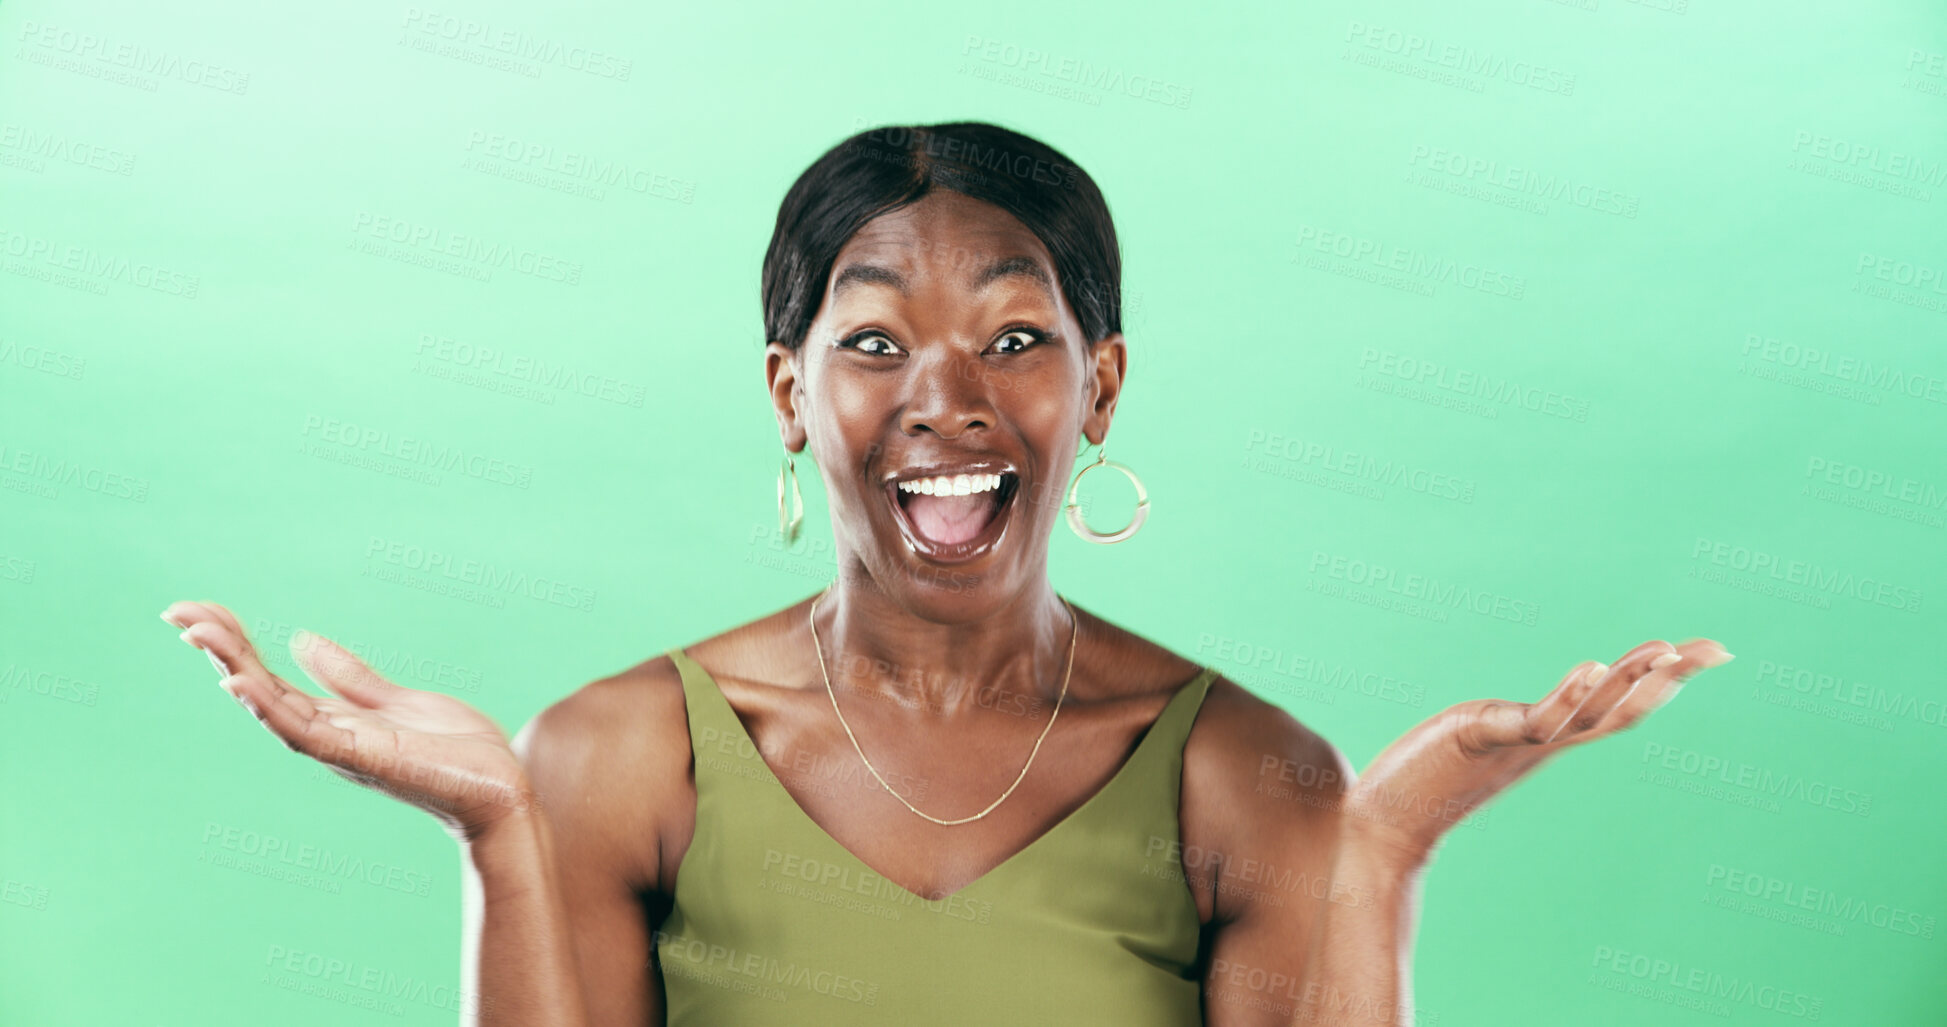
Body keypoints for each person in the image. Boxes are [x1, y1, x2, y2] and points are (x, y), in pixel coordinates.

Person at [162, 121, 1733, 1026]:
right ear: (792, 394)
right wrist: (506, 835)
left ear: (1098, 387)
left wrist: (1375, 856)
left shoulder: (1246, 773)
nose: (947, 397)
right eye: (870, 343)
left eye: (1016, 337)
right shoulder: (620, 755)